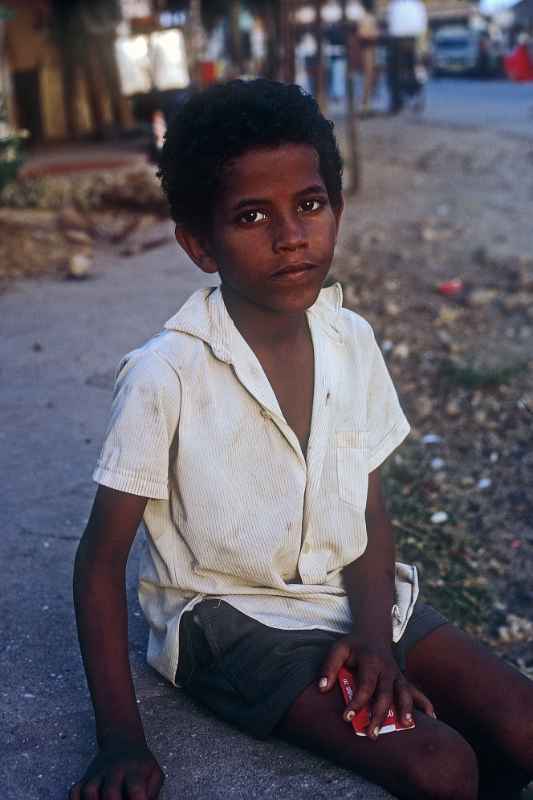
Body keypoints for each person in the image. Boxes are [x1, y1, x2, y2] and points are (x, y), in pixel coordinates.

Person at [69, 79, 533, 800]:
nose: (290, 236)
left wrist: (377, 641)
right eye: (252, 215)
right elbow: (100, 565)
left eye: (309, 205)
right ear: (199, 244)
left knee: (520, 724)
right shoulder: (167, 375)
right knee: (440, 766)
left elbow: (368, 515)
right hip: (231, 620)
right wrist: (121, 740)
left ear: (336, 210)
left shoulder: (351, 341)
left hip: (349, 598)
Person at [386, 0, 427, 113]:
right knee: (417, 70)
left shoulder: (394, 5)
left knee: (394, 73)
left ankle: (397, 102)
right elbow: (423, 26)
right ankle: (416, 97)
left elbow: (390, 24)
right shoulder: (417, 5)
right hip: (414, 41)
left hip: (397, 42)